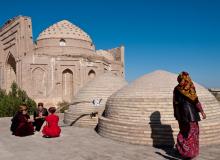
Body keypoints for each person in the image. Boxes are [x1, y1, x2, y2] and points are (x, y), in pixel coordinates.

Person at [173, 71, 206, 159]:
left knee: (185, 133)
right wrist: (202, 112)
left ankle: (182, 149)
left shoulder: (177, 89)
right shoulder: (189, 88)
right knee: (191, 134)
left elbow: (175, 103)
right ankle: (187, 152)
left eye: (182, 80)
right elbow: (196, 101)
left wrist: (177, 114)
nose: (181, 82)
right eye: (180, 80)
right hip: (190, 116)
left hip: (182, 116)